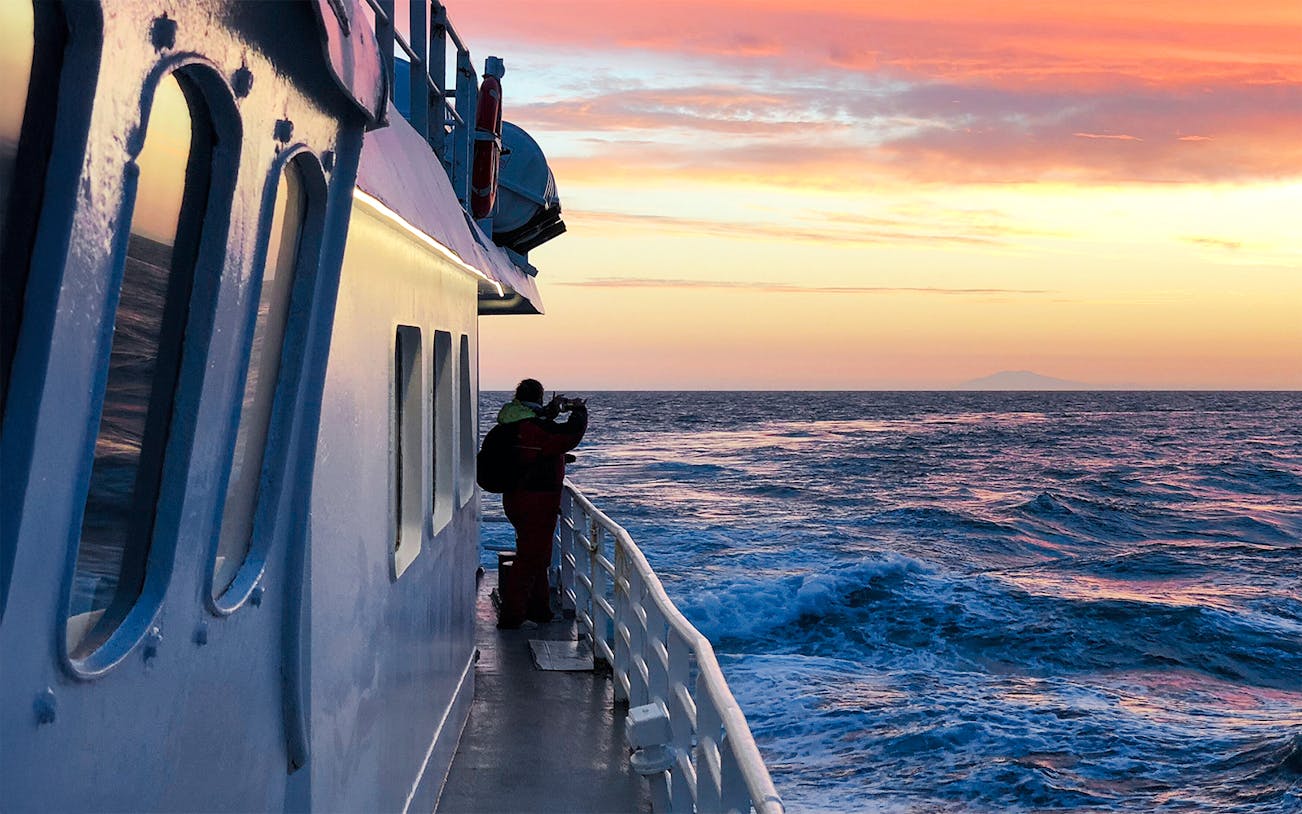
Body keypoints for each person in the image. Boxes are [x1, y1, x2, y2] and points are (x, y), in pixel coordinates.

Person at [496, 378, 587, 629]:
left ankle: (539, 610)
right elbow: (566, 436)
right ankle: (512, 617)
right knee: (529, 560)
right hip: (535, 502)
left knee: (537, 556)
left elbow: (537, 444)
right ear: (539, 396)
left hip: (517, 497)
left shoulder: (514, 420)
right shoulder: (532, 428)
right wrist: (579, 411)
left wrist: (551, 411)